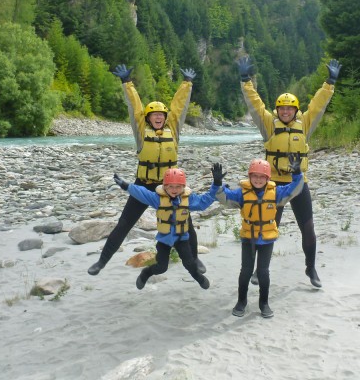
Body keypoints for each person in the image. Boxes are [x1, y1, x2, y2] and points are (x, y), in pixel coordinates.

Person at [88, 64, 206, 275]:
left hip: (171, 188)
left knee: (186, 224)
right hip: (144, 185)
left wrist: (187, 84)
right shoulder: (141, 132)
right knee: (124, 224)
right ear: (148, 118)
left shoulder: (173, 130)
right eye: (154, 115)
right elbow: (135, 108)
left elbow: (179, 107)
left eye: (161, 114)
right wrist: (127, 83)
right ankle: (102, 261)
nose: (158, 117)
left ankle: (195, 260)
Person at [237, 56, 342, 288]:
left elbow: (318, 105)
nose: (285, 112)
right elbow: (255, 105)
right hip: (273, 186)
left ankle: (311, 268)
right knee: (266, 229)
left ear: (295, 110)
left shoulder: (304, 123)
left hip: (297, 185)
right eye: (282, 109)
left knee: (309, 229)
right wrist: (245, 80)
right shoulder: (268, 124)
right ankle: (257, 271)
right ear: (277, 110)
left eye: (289, 109)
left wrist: (329, 83)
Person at [216, 155, 303, 318]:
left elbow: (295, 188)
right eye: (254, 176)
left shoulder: (276, 193)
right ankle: (241, 301)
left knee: (263, 271)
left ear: (267, 178)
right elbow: (223, 197)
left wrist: (297, 172)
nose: (257, 179)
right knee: (246, 271)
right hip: (249, 237)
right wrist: (216, 184)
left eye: (261, 177)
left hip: (267, 238)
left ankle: (264, 302)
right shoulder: (242, 193)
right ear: (249, 177)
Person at [112, 165, 224, 290]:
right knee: (161, 267)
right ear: (165, 186)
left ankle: (199, 278)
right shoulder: (158, 199)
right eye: (170, 186)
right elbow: (142, 193)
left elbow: (204, 201)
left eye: (178, 186)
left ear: (183, 187)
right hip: (164, 239)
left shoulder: (189, 199)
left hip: (182, 238)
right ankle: (145, 273)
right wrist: (126, 186)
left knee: (190, 263)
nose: (174, 190)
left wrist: (216, 184)